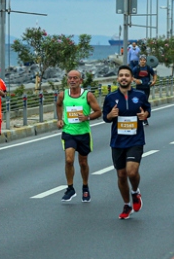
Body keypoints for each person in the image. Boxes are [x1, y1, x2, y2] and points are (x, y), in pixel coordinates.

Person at [102, 65, 150, 219]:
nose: (124, 78)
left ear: (131, 78)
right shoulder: (110, 98)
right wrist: (110, 115)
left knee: (132, 171)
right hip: (117, 141)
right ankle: (127, 204)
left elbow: (147, 110)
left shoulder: (140, 95)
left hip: (135, 139)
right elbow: (105, 118)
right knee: (121, 175)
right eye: (121, 75)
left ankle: (135, 192)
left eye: (127, 75)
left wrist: (145, 115)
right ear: (117, 78)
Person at [56, 70, 102, 202]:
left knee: (83, 162)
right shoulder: (63, 95)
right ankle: (70, 188)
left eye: (75, 78)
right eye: (69, 78)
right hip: (69, 132)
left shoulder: (87, 95)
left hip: (84, 134)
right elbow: (58, 105)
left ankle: (85, 186)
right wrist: (60, 119)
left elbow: (98, 112)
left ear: (80, 81)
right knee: (69, 160)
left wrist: (87, 117)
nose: (72, 80)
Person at [133, 55, 157, 126]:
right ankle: (140, 118)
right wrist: (135, 80)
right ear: (139, 60)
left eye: (144, 60)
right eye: (141, 60)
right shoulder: (136, 68)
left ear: (146, 61)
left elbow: (154, 74)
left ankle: (145, 119)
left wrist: (154, 81)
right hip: (139, 88)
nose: (143, 61)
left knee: (145, 103)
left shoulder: (148, 68)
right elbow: (130, 76)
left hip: (146, 88)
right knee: (139, 103)